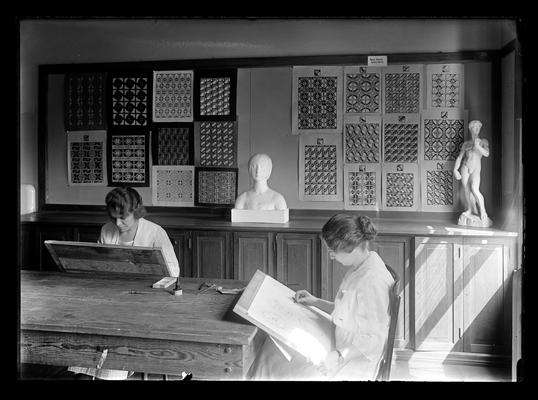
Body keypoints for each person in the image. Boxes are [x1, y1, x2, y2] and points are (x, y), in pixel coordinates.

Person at [249, 214, 394, 381]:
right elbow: (349, 310)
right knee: (273, 348)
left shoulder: (372, 281)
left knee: (273, 358)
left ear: (351, 247)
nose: (331, 256)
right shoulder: (363, 265)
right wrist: (315, 302)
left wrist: (338, 356)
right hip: (340, 344)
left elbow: (375, 340)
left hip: (353, 362)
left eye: (332, 251)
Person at [68, 187, 180, 380]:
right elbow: (100, 269)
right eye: (113, 218)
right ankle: (84, 370)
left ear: (136, 212)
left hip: (147, 303)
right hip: (113, 299)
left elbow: (174, 273)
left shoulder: (155, 233)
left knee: (118, 332)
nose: (118, 224)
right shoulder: (107, 230)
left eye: (123, 218)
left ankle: (110, 373)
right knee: (91, 324)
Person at [453, 120, 490, 222]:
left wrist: (478, 146)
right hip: (465, 167)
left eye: (478, 127)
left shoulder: (483, 141)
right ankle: (469, 209)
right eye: (474, 127)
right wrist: (455, 170)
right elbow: (460, 157)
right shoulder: (466, 144)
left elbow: (487, 154)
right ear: (470, 129)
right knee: (466, 189)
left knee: (475, 189)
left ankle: (483, 211)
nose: (477, 128)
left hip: (476, 168)